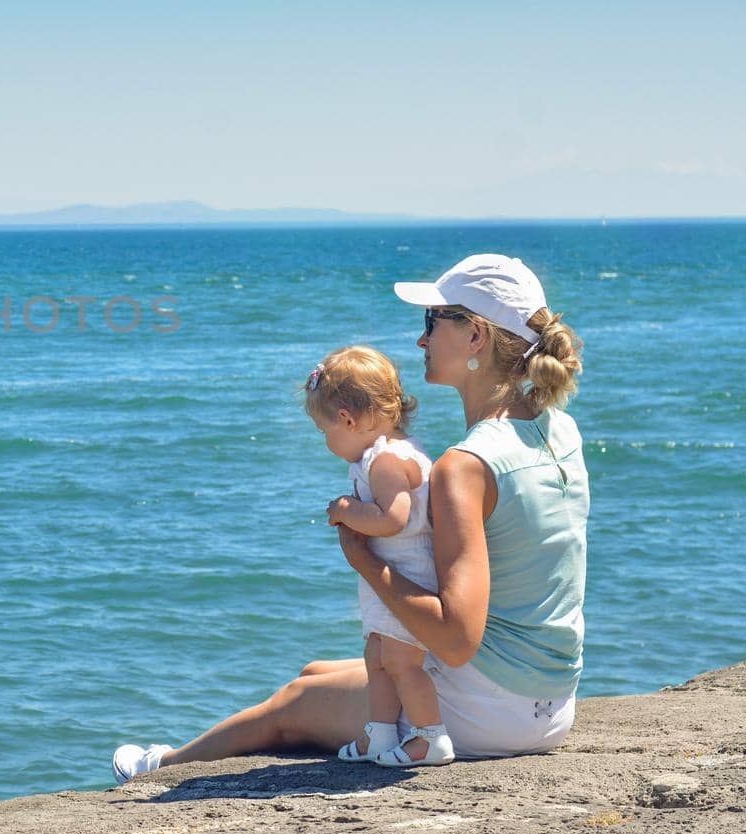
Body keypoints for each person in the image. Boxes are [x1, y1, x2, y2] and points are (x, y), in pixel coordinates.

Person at [112, 254, 586, 782]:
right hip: (549, 702)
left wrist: (363, 558)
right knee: (316, 672)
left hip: (487, 713)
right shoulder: (558, 428)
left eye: (432, 322)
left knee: (296, 700)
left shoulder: (465, 467)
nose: (421, 340)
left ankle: (159, 767)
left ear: (476, 336)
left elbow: (456, 638)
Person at [307, 347, 453, 766]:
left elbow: (393, 518)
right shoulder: (389, 451)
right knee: (377, 657)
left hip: (407, 574)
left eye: (324, 430)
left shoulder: (386, 461)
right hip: (391, 575)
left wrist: (345, 510)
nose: (326, 440)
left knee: (403, 663)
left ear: (348, 419)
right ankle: (382, 733)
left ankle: (431, 738)